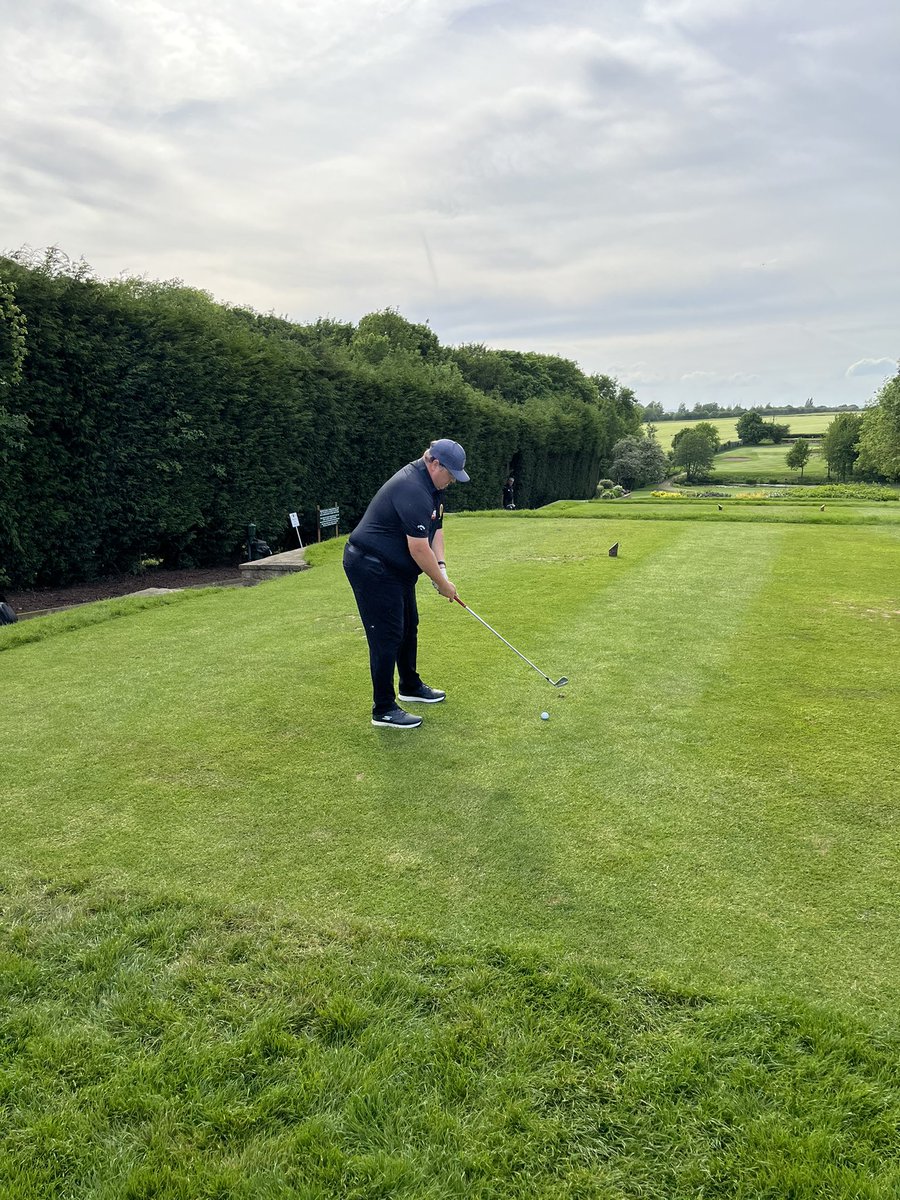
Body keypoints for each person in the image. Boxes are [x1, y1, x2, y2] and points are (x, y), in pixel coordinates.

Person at [343, 438, 470, 729]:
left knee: (408, 624)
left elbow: (435, 532)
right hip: (370, 566)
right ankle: (383, 708)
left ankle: (410, 686)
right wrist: (442, 585)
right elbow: (418, 548)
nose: (451, 481)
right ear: (434, 463)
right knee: (387, 634)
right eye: (449, 474)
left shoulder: (433, 487)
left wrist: (442, 569)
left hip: (396, 570)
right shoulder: (412, 487)